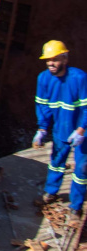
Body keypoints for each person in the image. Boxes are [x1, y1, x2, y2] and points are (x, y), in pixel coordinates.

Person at [33, 40, 87, 223]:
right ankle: (51, 192)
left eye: (55, 59)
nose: (51, 63)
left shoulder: (79, 78)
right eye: (48, 60)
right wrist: (42, 129)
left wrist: (81, 130)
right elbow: (42, 106)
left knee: (82, 169)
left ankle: (76, 207)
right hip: (61, 128)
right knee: (56, 161)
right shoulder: (44, 79)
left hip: (82, 131)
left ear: (65, 59)